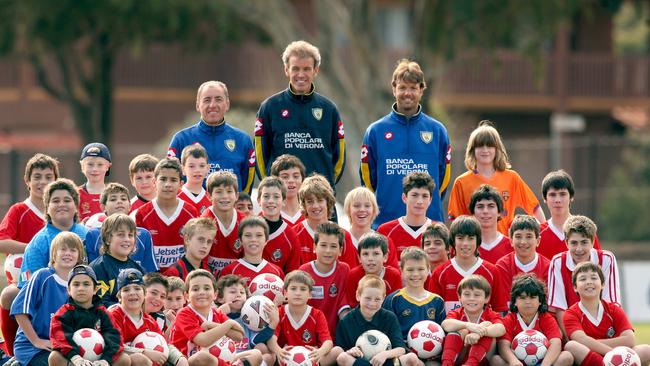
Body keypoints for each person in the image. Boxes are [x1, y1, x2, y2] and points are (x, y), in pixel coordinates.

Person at [360, 59, 451, 226]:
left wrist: (424, 203)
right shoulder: (375, 131)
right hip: (385, 223)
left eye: (413, 88)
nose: (407, 93)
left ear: (421, 90)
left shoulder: (438, 131)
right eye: (402, 87)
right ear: (394, 89)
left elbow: (443, 180)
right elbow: (367, 180)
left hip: (429, 227)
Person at [255, 41, 346, 202]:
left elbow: (339, 158)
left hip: (320, 201)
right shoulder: (270, 107)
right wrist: (273, 189)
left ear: (315, 71)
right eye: (295, 68)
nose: (301, 74)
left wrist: (326, 187)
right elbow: (260, 156)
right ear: (286, 70)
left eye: (306, 69)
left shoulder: (329, 109)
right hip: (282, 202)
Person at [0, 153, 58, 356]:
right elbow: (2, 241)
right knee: (9, 295)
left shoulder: (61, 209)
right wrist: (33, 247)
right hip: (25, 280)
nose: (43, 181)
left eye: (48, 176)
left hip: (59, 279)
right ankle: (10, 353)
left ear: (55, 181)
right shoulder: (19, 210)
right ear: (27, 181)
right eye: (37, 176)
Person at [447, 121, 545, 235]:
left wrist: (544, 233)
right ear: (472, 150)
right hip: (474, 248)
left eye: (489, 145)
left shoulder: (512, 178)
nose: (485, 150)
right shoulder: (461, 182)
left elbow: (535, 208)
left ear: (497, 149)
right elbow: (456, 222)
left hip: (505, 246)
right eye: (480, 146)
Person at [168, 80, 255, 194]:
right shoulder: (181, 139)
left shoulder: (243, 140)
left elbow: (247, 184)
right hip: (192, 210)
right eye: (207, 100)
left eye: (218, 99)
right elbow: (170, 177)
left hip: (230, 209)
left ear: (227, 104)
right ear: (198, 105)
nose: (213, 105)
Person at [10, 232, 84, 366]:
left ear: (80, 257)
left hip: (63, 347)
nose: (68, 253)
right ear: (54, 254)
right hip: (33, 348)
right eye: (63, 249)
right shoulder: (42, 276)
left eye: (73, 250)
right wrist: (36, 341)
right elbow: (18, 311)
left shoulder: (80, 283)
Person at [563, 262, 650, 365]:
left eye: (594, 278)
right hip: (593, 357)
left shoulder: (613, 309)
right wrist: (612, 354)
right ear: (575, 287)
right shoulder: (571, 313)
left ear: (603, 284)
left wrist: (593, 343)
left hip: (618, 356)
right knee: (571, 346)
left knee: (646, 350)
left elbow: (629, 339)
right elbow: (580, 340)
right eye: (583, 279)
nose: (589, 282)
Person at [547, 215, 619, 337]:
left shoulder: (607, 259)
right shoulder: (558, 262)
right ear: (566, 243)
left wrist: (601, 339)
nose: (579, 249)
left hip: (604, 332)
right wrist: (572, 340)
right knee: (569, 353)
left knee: (644, 350)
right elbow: (560, 308)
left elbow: (611, 303)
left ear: (592, 243)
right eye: (574, 243)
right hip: (573, 331)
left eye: (584, 242)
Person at [48, 264, 130, 366]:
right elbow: (60, 338)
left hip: (100, 360)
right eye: (76, 284)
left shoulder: (103, 313)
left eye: (86, 284)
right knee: (54, 357)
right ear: (68, 290)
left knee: (124, 359)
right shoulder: (63, 313)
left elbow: (114, 338)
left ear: (95, 289)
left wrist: (105, 360)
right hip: (74, 359)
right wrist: (76, 358)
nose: (81, 288)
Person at [428, 215, 508, 313]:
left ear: (478, 240)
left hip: (484, 328)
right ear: (453, 240)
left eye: (470, 238)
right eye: (460, 238)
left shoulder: (492, 271)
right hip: (448, 328)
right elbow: (433, 312)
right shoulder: (439, 273)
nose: (465, 243)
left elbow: (499, 311)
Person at [109, 269, 188, 366]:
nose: (132, 293)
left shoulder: (150, 320)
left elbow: (165, 344)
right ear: (119, 296)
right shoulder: (113, 314)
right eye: (126, 290)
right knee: (140, 359)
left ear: (144, 293)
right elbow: (113, 345)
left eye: (137, 289)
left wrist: (179, 358)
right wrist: (144, 352)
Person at [490, 274, 573, 366]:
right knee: (496, 360)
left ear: (540, 301)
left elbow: (556, 343)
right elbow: (503, 345)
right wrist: (513, 361)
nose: (527, 302)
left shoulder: (546, 318)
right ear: (515, 302)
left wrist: (546, 364)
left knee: (566, 356)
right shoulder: (509, 319)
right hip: (517, 363)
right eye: (522, 297)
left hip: (543, 362)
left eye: (532, 297)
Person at [19, 178, 88, 287]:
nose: (61, 204)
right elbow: (30, 287)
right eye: (55, 201)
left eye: (67, 200)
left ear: (76, 206)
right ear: (47, 208)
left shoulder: (88, 235)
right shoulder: (38, 243)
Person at [169, 269, 245, 365]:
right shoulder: (184, 314)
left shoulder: (216, 313)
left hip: (216, 359)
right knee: (202, 357)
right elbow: (203, 340)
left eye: (206, 288)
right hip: (187, 361)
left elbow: (239, 336)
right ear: (186, 296)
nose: (201, 292)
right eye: (195, 289)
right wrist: (229, 323)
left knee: (255, 354)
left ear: (215, 295)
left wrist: (212, 325)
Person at [335, 275, 414, 366]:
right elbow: (342, 351)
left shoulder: (389, 317)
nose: (372, 303)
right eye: (368, 298)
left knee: (411, 358)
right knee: (342, 357)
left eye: (377, 299)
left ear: (383, 299)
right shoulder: (346, 321)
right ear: (358, 296)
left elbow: (401, 349)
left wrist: (385, 354)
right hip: (360, 363)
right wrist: (351, 351)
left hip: (385, 362)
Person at [135, 158, 199, 271]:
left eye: (173, 180)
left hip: (183, 280)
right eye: (163, 179)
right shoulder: (142, 213)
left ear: (181, 184)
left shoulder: (191, 212)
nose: (168, 184)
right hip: (153, 281)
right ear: (154, 182)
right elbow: (140, 254)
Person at [268, 270, 342, 366]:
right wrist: (278, 350)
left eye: (303, 289)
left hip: (311, 359)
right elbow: (271, 339)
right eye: (293, 288)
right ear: (285, 293)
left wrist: (320, 352)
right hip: (285, 358)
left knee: (337, 350)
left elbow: (328, 342)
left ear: (310, 294)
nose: (298, 293)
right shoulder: (279, 312)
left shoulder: (317, 314)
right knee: (270, 352)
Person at [83, 182, 158, 272]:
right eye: (113, 199)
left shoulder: (144, 235)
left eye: (123, 199)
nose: (119, 202)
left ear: (130, 206)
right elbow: (92, 272)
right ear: (103, 207)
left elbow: (150, 272)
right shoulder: (93, 234)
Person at [299, 222, 351, 338]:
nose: (328, 251)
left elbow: (344, 306)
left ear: (340, 250)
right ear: (314, 247)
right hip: (308, 335)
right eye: (323, 245)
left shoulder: (344, 270)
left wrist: (349, 328)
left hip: (335, 336)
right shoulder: (304, 271)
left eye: (333, 246)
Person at [440, 275, 505, 366]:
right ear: (459, 297)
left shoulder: (490, 314)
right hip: (460, 357)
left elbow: (501, 329)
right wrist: (467, 325)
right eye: (467, 294)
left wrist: (479, 333)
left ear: (486, 298)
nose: (471, 298)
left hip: (483, 359)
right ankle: (447, 363)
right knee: (460, 329)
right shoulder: (457, 313)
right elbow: (445, 324)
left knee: (488, 325)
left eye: (477, 295)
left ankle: (471, 364)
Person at [295, 174, 358, 268]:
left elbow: (350, 273)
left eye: (320, 200)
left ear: (328, 202)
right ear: (304, 204)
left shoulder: (344, 236)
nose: (315, 206)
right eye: (310, 201)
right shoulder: (295, 234)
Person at [383, 248, 445, 340]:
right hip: (400, 352)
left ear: (428, 270)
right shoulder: (393, 300)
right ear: (402, 270)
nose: (415, 274)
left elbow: (442, 333)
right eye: (410, 270)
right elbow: (386, 331)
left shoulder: (437, 301)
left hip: (433, 354)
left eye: (420, 269)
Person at [538, 169, 601, 260]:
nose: (557, 200)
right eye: (552, 195)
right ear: (544, 198)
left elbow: (597, 266)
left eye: (562, 194)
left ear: (571, 197)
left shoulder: (585, 229)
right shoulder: (537, 234)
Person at [377, 172, 436, 265]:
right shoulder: (385, 231)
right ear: (404, 198)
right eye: (414, 195)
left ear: (430, 200)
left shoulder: (439, 231)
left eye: (425, 196)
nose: (419, 201)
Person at [90, 213, 146, 307]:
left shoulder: (138, 269)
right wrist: (129, 309)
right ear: (107, 239)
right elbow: (101, 303)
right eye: (121, 235)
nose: (127, 239)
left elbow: (144, 301)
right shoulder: (98, 267)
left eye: (130, 235)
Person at [215, 274, 271, 366]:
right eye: (233, 292)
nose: (238, 295)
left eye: (242, 292)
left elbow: (256, 341)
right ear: (220, 298)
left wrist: (272, 324)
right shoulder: (215, 314)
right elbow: (208, 335)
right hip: (224, 357)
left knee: (265, 350)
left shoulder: (250, 316)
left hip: (247, 357)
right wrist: (218, 313)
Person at [201, 171, 247, 273]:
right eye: (219, 192)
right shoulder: (203, 222)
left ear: (237, 196)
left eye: (229, 191)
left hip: (236, 279)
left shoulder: (245, 222)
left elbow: (248, 258)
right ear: (209, 195)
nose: (224, 196)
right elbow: (199, 260)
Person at [495, 215, 550, 300]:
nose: (523, 242)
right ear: (511, 241)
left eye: (529, 236)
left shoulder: (548, 267)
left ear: (538, 241)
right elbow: (504, 303)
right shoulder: (503, 266)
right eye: (518, 236)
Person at [219, 217, 285, 287]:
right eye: (248, 235)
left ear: (266, 240)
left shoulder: (277, 272)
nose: (253, 239)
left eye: (259, 235)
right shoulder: (230, 271)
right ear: (240, 240)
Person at [343, 187, 399, 268]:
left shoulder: (386, 242)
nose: (362, 209)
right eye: (356, 206)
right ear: (348, 210)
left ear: (374, 210)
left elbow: (393, 276)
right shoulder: (341, 240)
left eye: (367, 205)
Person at [345, 232, 402, 309]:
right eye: (365, 254)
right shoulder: (353, 275)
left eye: (376, 253)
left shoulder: (394, 275)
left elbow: (395, 305)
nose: (370, 258)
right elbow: (352, 305)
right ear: (359, 258)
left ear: (385, 257)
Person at [256, 176, 300, 273]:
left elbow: (291, 275)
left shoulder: (290, 236)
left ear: (284, 201)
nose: (271, 201)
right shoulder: (248, 229)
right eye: (266, 196)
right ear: (259, 200)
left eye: (276, 197)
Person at [469, 184, 512, 264]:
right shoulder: (463, 246)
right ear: (473, 212)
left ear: (499, 212)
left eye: (491, 206)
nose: (485, 211)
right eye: (480, 206)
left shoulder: (512, 246)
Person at [77, 142, 112, 221]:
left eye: (100, 165)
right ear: (82, 166)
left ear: (108, 166)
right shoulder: (75, 194)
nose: (95, 169)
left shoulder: (115, 193)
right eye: (90, 164)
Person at [270, 154, 306, 227]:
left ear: (302, 179)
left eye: (296, 176)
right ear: (275, 180)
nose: (291, 180)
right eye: (285, 177)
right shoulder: (267, 216)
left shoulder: (312, 213)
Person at [178, 144, 212, 214]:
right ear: (183, 169)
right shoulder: (175, 197)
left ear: (207, 168)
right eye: (191, 166)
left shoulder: (211, 199)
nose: (197, 170)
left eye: (202, 166)